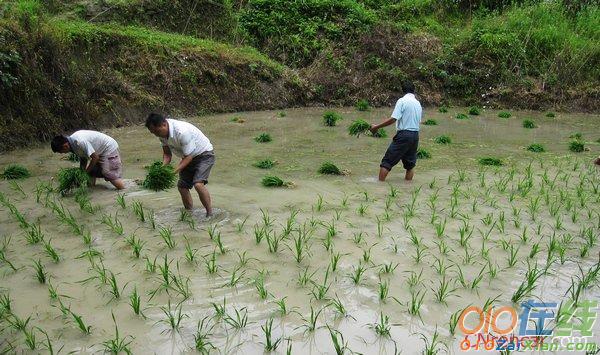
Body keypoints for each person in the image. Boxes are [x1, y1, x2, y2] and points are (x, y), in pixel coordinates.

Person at [145, 113, 215, 217]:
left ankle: (210, 214)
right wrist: (163, 168)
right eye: (153, 133)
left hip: (204, 155)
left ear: (163, 124)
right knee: (182, 186)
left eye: (156, 131)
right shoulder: (162, 135)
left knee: (198, 184)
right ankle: (189, 213)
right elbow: (167, 154)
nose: (156, 135)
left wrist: (173, 172)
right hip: (187, 157)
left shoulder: (181, 132)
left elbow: (189, 157)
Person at [370, 81, 422, 182]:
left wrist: (377, 127)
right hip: (415, 135)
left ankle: (379, 186)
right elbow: (418, 121)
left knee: (387, 162)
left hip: (404, 135)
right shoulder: (417, 103)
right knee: (410, 165)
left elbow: (394, 119)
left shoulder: (402, 101)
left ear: (403, 90)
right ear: (413, 91)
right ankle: (408, 187)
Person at [51, 131, 125, 190]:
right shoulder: (72, 144)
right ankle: (92, 190)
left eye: (60, 151)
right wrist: (81, 173)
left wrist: (85, 173)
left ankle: (124, 190)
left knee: (109, 174)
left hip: (108, 148)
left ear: (65, 146)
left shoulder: (79, 142)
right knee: (92, 172)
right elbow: (83, 158)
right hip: (98, 151)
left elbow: (95, 158)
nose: (61, 153)